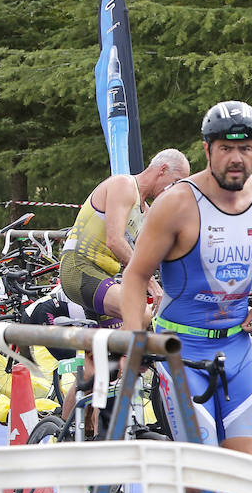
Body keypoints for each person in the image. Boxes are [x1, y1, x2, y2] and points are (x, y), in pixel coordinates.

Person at [121, 101, 252, 493]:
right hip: (179, 352)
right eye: (227, 149)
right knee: (203, 471)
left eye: (247, 148)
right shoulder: (176, 203)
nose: (238, 159)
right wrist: (137, 341)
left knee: (243, 473)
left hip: (235, 351)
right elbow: (133, 277)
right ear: (208, 150)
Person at [58, 147, 190, 422]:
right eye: (175, 184)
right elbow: (115, 241)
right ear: (162, 170)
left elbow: (157, 255)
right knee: (141, 312)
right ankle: (125, 380)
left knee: (98, 367)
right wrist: (152, 285)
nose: (174, 192)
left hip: (103, 278)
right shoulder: (123, 185)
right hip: (79, 269)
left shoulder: (148, 211)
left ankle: (71, 432)